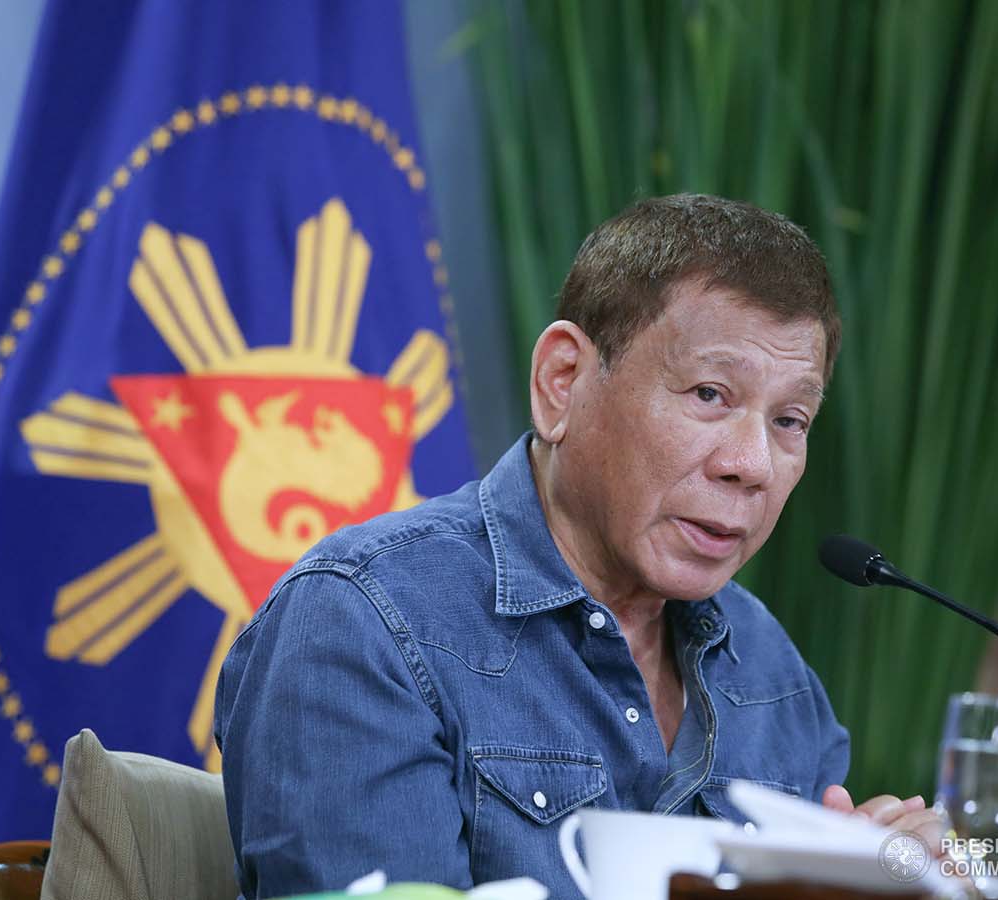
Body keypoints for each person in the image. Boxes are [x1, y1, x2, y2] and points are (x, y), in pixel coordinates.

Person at [215, 194, 945, 899]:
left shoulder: (771, 675)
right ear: (562, 382)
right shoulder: (361, 624)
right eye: (709, 395)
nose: (751, 464)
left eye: (790, 420)